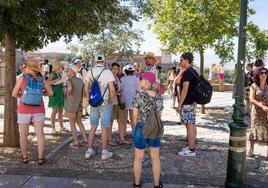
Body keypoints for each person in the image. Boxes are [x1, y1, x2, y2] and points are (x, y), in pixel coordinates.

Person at [12, 59, 53, 165]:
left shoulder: (22, 78)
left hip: (23, 109)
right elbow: (51, 93)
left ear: (27, 67)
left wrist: (21, 96)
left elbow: (14, 94)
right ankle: (40, 158)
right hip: (38, 109)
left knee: (24, 135)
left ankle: (25, 157)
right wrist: (41, 94)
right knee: (40, 134)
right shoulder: (41, 79)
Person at [132, 71, 163, 188]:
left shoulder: (139, 95)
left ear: (147, 81)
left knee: (138, 158)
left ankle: (137, 184)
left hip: (141, 128)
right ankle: (156, 184)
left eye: (141, 79)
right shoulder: (158, 96)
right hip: (155, 128)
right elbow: (159, 115)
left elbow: (135, 116)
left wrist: (136, 125)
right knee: (155, 158)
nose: (139, 81)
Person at [84, 54, 116, 160]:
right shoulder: (108, 72)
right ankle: (104, 152)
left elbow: (86, 88)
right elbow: (112, 89)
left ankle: (89, 150)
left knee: (93, 126)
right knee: (104, 127)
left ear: (95, 61)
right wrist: (111, 100)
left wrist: (90, 99)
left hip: (94, 102)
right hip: (105, 102)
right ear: (104, 61)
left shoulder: (90, 71)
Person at [176, 52, 197, 157]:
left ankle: (191, 149)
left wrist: (179, 105)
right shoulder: (193, 71)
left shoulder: (188, 73)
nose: (180, 62)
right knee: (192, 125)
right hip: (192, 102)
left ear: (186, 60)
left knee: (189, 126)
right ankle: (191, 145)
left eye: (181, 60)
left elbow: (184, 91)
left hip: (187, 103)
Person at [64, 67, 88, 149]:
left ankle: (76, 141)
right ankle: (85, 140)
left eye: (68, 71)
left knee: (72, 123)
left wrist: (68, 94)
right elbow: (84, 93)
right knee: (79, 122)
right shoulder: (81, 81)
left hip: (70, 105)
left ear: (73, 72)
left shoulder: (68, 81)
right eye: (66, 71)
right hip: (79, 105)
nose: (66, 72)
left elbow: (69, 90)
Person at [108, 63, 130, 146]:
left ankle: (122, 139)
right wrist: (116, 93)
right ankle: (109, 139)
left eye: (117, 69)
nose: (115, 70)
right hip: (111, 102)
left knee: (121, 120)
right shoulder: (109, 78)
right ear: (110, 69)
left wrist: (119, 93)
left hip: (118, 102)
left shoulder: (117, 78)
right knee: (110, 121)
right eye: (113, 69)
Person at [248, 67, 268, 160]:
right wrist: (261, 106)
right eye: (262, 73)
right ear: (258, 75)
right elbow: (251, 99)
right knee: (253, 129)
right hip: (256, 112)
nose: (264, 75)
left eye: (265, 73)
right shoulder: (254, 86)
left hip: (266, 111)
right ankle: (251, 150)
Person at [121, 64, 141, 135]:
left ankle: (123, 133)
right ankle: (134, 133)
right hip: (134, 100)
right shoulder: (136, 78)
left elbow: (121, 89)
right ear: (133, 71)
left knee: (124, 119)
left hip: (124, 100)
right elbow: (138, 89)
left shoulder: (122, 78)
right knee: (133, 119)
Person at [47, 61, 65, 133]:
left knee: (60, 111)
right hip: (54, 94)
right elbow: (47, 82)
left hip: (60, 93)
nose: (62, 68)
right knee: (54, 111)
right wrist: (57, 80)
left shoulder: (59, 73)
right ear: (58, 67)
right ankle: (53, 128)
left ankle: (61, 126)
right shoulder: (52, 74)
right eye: (61, 66)